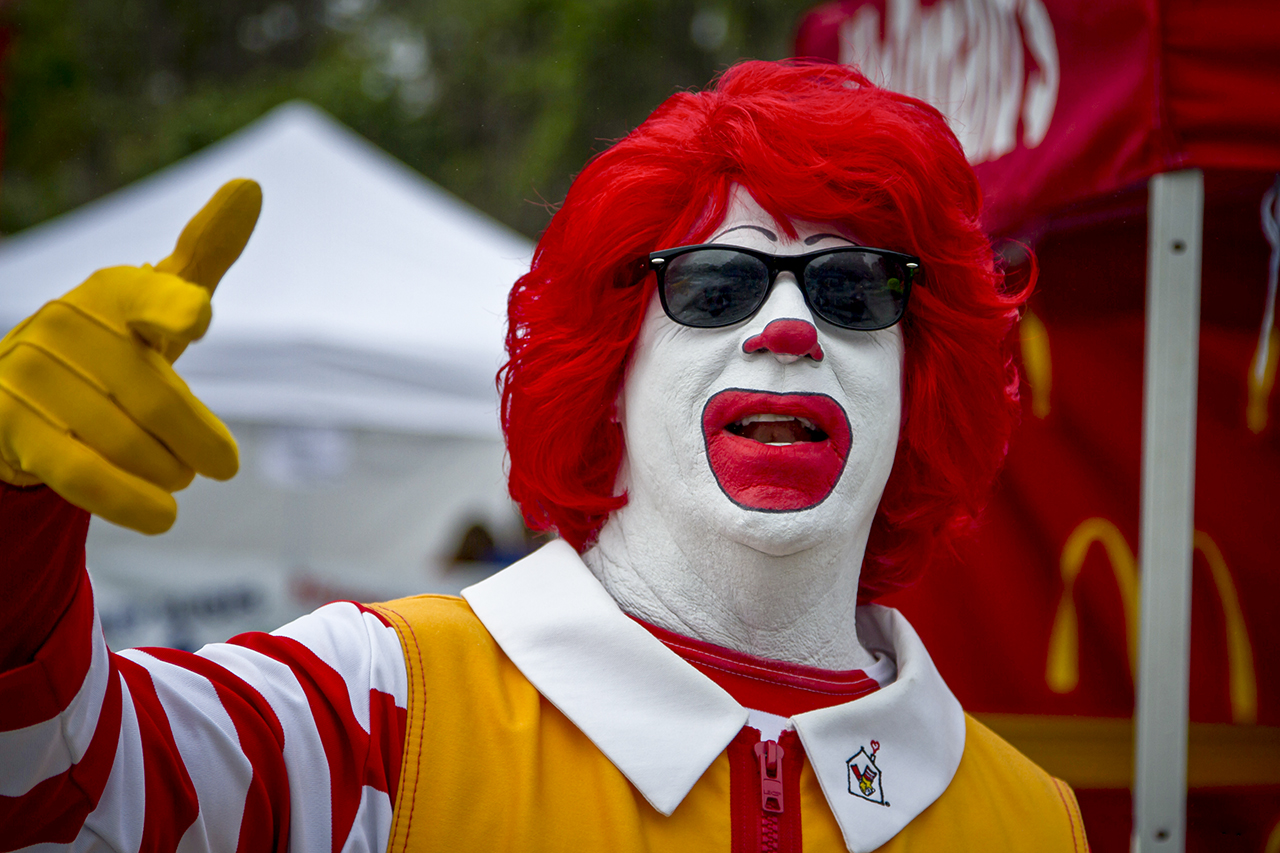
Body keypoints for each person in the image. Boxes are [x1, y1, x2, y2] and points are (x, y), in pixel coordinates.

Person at [0, 61, 1088, 851]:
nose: (788, 329)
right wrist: (15, 520)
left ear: (918, 381)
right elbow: (59, 802)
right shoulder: (372, 715)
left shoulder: (1027, 820)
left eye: (856, 291)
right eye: (714, 286)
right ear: (611, 370)